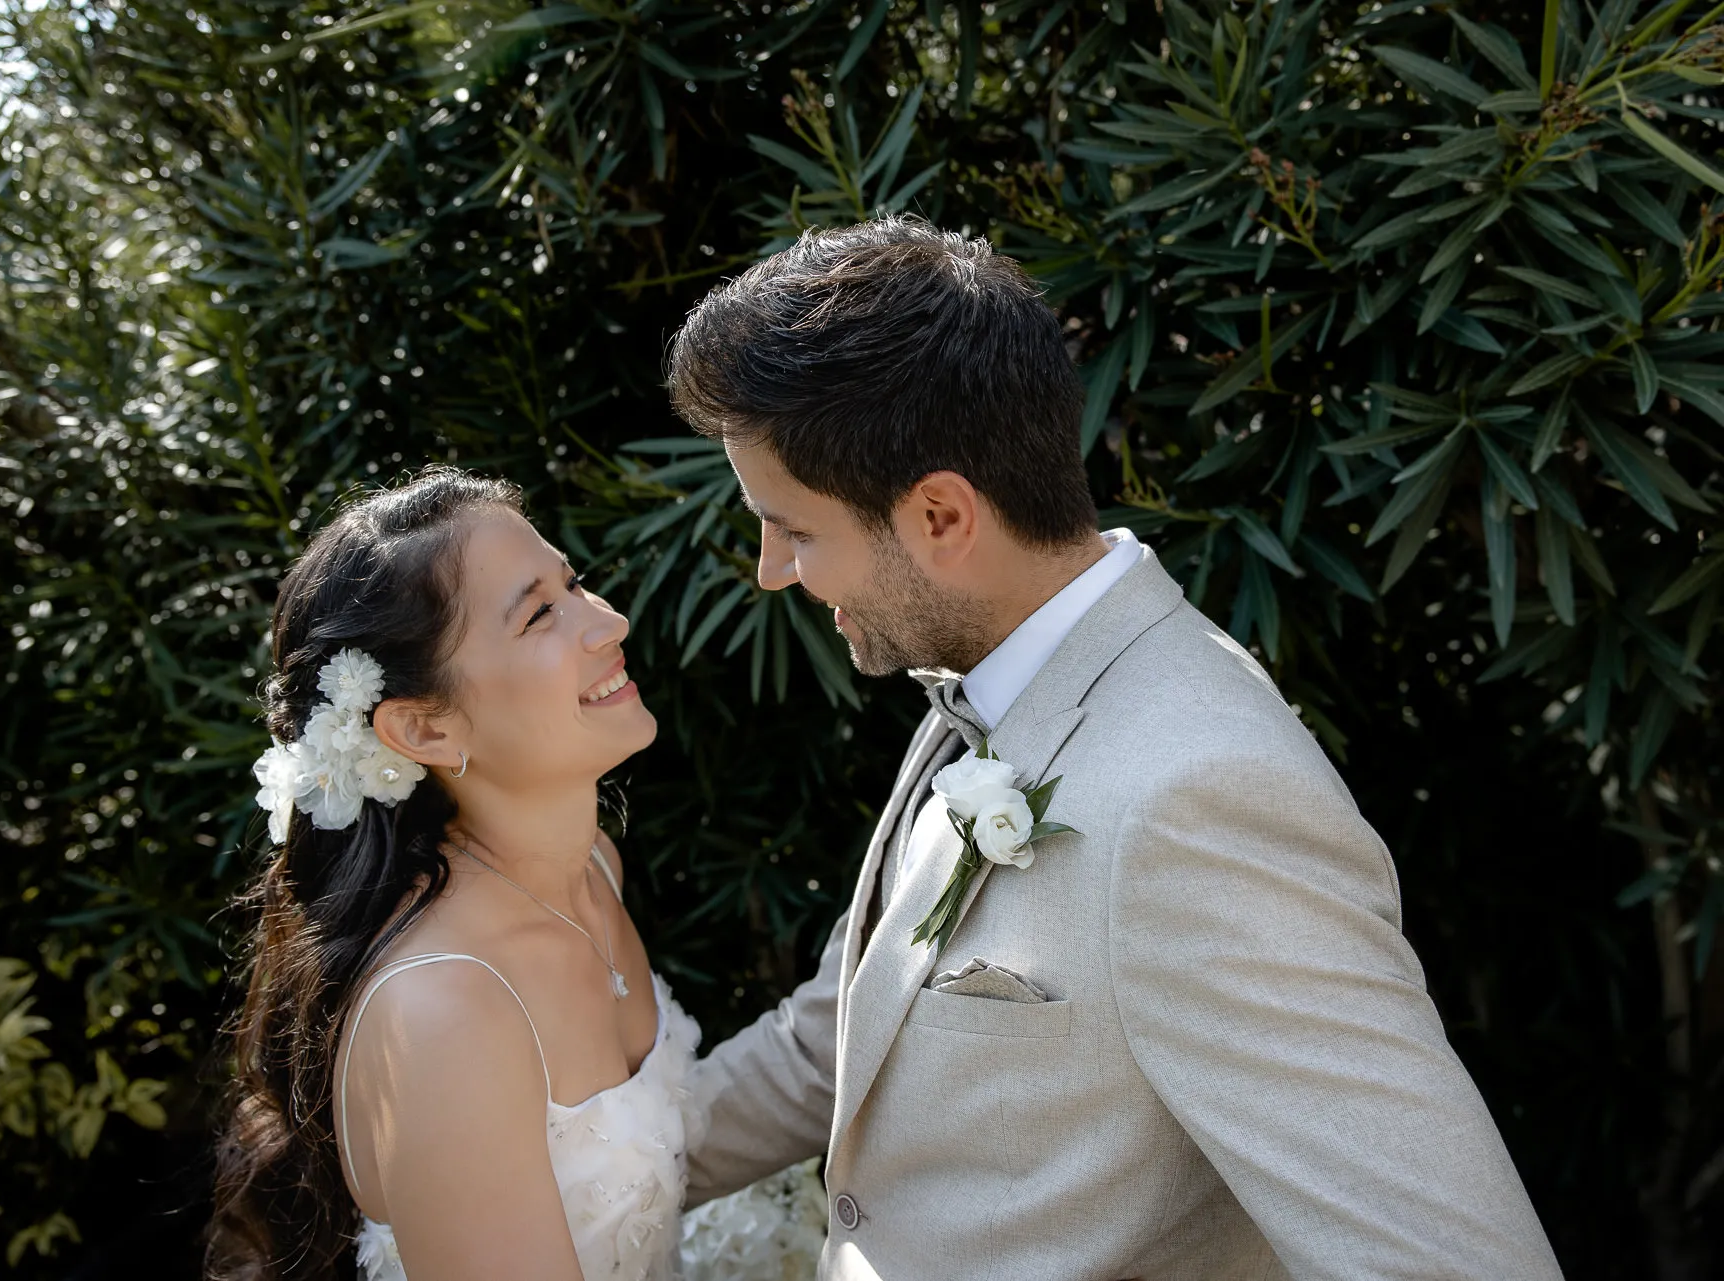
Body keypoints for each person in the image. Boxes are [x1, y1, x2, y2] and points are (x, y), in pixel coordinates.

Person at [668, 216, 1566, 1279]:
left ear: (942, 515)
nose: (772, 570)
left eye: (795, 529)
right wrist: (579, 1169)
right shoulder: (983, 686)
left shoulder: (1198, 795)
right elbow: (853, 1029)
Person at [208, 468, 701, 1281]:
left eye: (574, 583)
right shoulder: (443, 1010)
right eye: (539, 613)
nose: (609, 620)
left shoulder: (594, 872)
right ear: (425, 730)